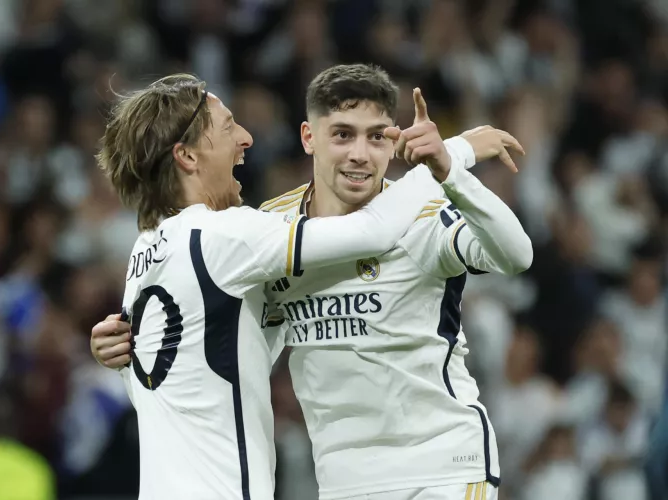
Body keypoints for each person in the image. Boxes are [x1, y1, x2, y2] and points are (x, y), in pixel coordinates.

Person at [93, 66, 529, 499]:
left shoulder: (422, 212)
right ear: (309, 138)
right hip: (342, 481)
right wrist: (456, 153)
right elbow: (370, 234)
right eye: (342, 134)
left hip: (439, 469)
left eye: (376, 136)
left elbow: (517, 254)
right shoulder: (255, 232)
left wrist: (450, 175)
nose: (360, 152)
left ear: (393, 141)